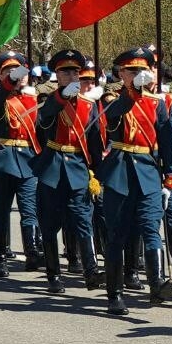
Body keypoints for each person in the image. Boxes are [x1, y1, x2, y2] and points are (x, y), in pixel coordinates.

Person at [99, 47, 172, 312]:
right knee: (118, 235)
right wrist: (133, 90)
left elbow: (167, 141)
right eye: (132, 70)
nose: (139, 74)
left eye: (142, 70)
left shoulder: (158, 103)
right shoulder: (111, 98)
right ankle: (114, 293)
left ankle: (157, 281)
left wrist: (170, 175)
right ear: (121, 73)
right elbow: (113, 118)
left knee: (150, 227)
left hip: (147, 171)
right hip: (120, 171)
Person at [35, 50, 107, 302]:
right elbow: (42, 124)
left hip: (78, 166)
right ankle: (54, 274)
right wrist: (60, 98)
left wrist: (98, 173)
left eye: (75, 71)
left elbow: (95, 142)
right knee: (50, 224)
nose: (72, 75)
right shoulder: (47, 100)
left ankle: (91, 271)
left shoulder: (89, 104)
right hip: (53, 167)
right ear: (57, 75)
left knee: (83, 220)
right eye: (66, 71)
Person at [0, 52, 56, 282]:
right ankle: (0, 258)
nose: (17, 75)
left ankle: (32, 252)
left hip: (28, 160)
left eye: (20, 70)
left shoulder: (34, 98)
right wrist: (9, 82)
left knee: (29, 209)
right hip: (4, 159)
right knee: (1, 210)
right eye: (9, 71)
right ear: (1, 76)